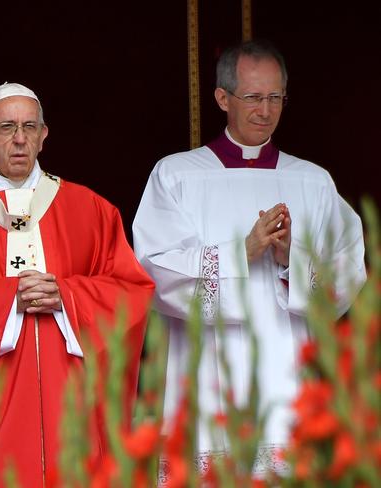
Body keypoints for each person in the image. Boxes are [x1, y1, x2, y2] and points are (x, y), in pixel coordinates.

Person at [0, 82, 154, 487]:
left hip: (69, 402)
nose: (19, 139)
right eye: (6, 127)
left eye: (30, 127)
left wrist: (68, 297)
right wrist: (5, 299)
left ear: (44, 135)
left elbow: (130, 291)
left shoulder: (91, 211)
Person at [132, 39, 366, 474]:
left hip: (289, 372)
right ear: (222, 98)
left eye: (276, 98)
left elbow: (349, 271)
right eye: (254, 98)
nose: (266, 110)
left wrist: (289, 260)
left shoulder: (312, 182)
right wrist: (240, 252)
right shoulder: (177, 175)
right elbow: (154, 268)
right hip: (204, 376)